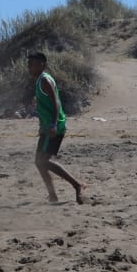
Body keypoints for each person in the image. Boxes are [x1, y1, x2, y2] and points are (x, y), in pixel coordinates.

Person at [27, 52, 86, 204]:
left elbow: (56, 103)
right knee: (40, 162)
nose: (30, 67)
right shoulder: (40, 80)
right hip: (47, 127)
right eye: (29, 64)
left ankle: (77, 185)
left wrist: (53, 124)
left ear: (42, 65)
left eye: (33, 64)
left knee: (42, 161)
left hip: (54, 127)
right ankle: (53, 195)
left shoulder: (45, 80)